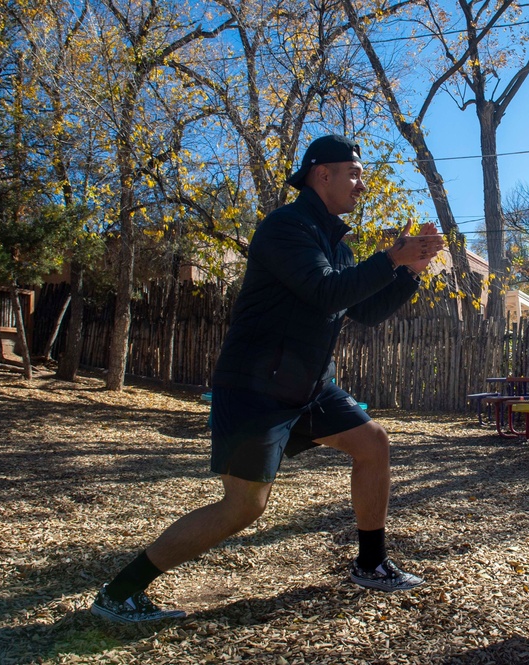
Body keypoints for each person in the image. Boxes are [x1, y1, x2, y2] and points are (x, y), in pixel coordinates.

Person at [91, 135, 445, 623]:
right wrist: (389, 258)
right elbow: (324, 291)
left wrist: (410, 271)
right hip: (256, 388)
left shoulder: (336, 244)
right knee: (243, 507)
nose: (361, 185)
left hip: (309, 387)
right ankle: (120, 592)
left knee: (372, 443)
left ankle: (371, 564)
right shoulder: (285, 227)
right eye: (355, 174)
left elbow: (363, 311)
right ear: (323, 174)